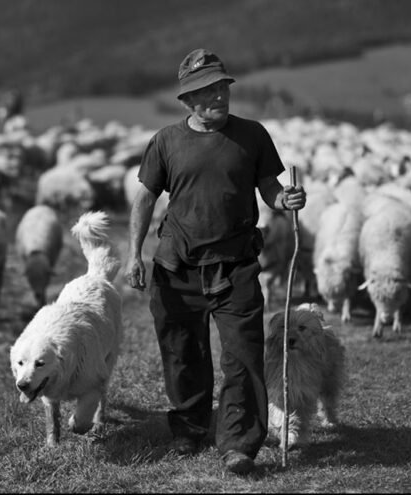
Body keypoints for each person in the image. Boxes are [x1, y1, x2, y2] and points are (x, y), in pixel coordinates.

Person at [124, 48, 306, 475]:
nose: (218, 97)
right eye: (206, 92)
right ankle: (189, 428)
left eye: (222, 88)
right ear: (187, 100)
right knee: (182, 353)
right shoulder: (166, 141)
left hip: (236, 265)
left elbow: (269, 188)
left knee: (241, 357)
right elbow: (146, 197)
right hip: (176, 266)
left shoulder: (252, 135)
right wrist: (134, 253)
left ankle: (239, 443)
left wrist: (285, 200)